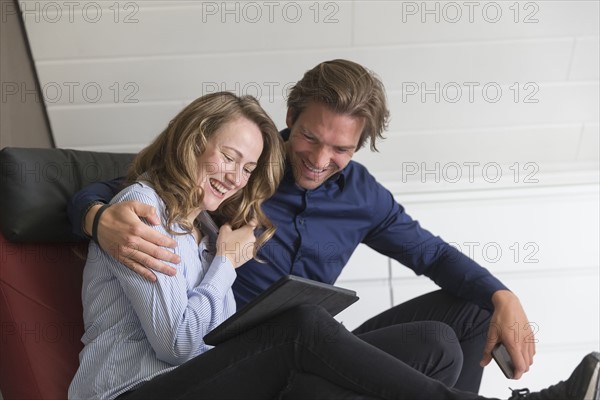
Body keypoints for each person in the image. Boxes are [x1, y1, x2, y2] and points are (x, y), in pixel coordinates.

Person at [68, 62, 599, 398]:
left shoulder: (362, 196)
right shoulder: (243, 166)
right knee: (303, 322)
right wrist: (97, 218)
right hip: (233, 356)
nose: (320, 159)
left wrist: (504, 296)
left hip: (313, 348)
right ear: (291, 119)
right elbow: (146, 185)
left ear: (360, 145)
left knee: (458, 321)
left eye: (340, 149)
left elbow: (433, 255)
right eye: (309, 138)